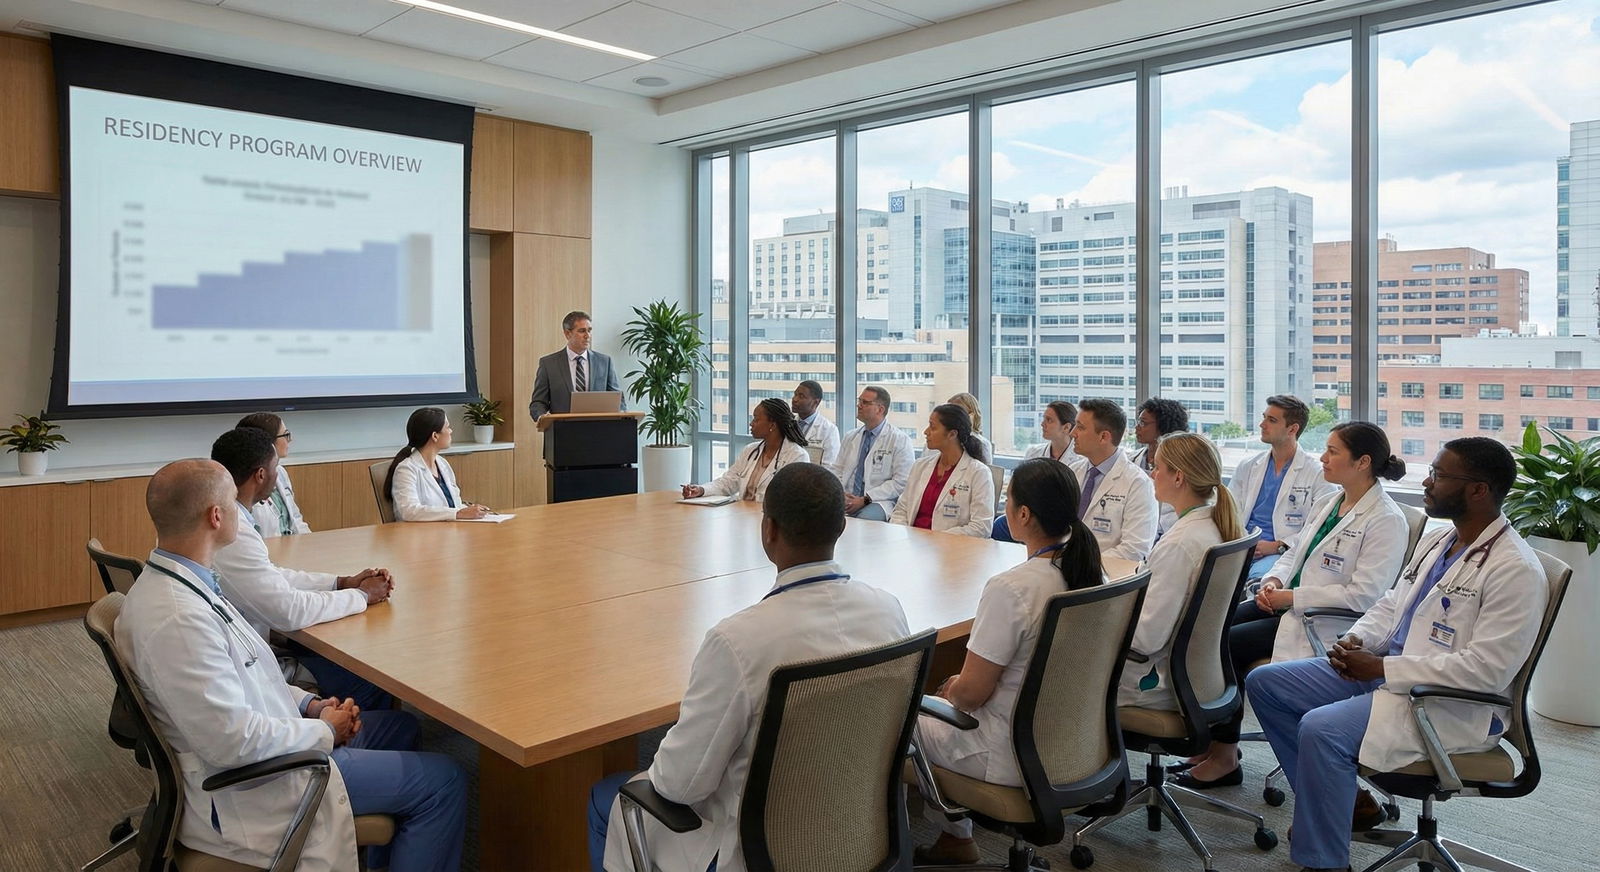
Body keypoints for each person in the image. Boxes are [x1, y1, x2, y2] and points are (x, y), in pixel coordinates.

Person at [116, 459, 467, 872]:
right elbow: (231, 741)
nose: (242, 511)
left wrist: (310, 706)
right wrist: (323, 730)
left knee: (402, 727)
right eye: (233, 502)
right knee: (446, 781)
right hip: (261, 783)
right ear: (216, 516)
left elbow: (251, 671)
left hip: (276, 737)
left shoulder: (187, 582)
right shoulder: (178, 618)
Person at [589, 463, 911, 872]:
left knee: (612, 800)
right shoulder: (888, 610)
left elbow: (679, 784)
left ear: (768, 531)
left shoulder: (740, 640)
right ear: (841, 527)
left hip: (756, 852)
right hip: (856, 836)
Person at [1246, 438, 1547, 872]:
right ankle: (1338, 802)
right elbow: (1391, 604)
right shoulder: (1440, 540)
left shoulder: (1514, 569)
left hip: (1441, 700)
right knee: (1267, 684)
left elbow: (1487, 669)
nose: (1426, 481)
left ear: (1478, 490)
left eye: (1440, 476)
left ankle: (1324, 862)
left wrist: (1384, 666)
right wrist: (1356, 641)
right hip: (1390, 672)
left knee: (1321, 729)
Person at [1172, 421, 1410, 792]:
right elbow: (1295, 554)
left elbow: (1365, 595)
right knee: (1210, 628)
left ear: (1362, 462)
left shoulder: (1386, 520)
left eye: (1333, 451)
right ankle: (1211, 743)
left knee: (1228, 645)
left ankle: (1223, 755)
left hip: (1323, 622)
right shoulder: (1330, 501)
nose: (1322, 457)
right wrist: (1275, 581)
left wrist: (1292, 598)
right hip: (1288, 606)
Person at [911, 458, 1105, 864]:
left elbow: (971, 696)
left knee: (897, 720)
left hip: (1010, 754)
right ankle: (954, 840)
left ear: (1023, 515)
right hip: (1077, 743)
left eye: (1008, 500)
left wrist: (950, 688)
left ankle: (948, 837)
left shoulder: (1012, 588)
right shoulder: (1089, 570)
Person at [211, 428, 396, 711]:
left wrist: (341, 582)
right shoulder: (232, 532)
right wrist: (361, 595)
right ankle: (348, 744)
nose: (278, 475)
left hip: (249, 651)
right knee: (373, 684)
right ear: (260, 475)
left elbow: (271, 575)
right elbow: (289, 611)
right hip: (255, 673)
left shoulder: (232, 519)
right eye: (276, 468)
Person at [1120, 432, 1243, 709]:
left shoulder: (1180, 545)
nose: (1152, 475)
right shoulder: (1215, 525)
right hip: (1198, 674)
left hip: (1151, 681)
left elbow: (1146, 639)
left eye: (1158, 467)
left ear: (1178, 477)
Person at [1228, 395, 1338, 580]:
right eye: (1264, 417)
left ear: (1292, 429)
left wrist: (1278, 545)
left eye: (1271, 420)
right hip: (1242, 545)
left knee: (1258, 580)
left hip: (1281, 553)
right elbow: (1229, 511)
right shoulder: (1248, 466)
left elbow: (1320, 528)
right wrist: (1242, 541)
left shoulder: (1318, 474)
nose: (1262, 425)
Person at [1069, 399, 1159, 563]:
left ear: (1104, 437)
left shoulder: (1138, 484)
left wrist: (1083, 566)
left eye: (1080, 427)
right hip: (1064, 570)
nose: (1072, 433)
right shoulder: (1073, 472)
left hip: (1107, 580)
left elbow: (1134, 550)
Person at [888, 404, 995, 538]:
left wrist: (935, 539)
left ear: (952, 434)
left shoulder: (978, 473)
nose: (926, 432)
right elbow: (901, 510)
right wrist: (906, 535)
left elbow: (981, 527)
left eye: (932, 427)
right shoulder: (920, 466)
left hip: (950, 548)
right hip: (911, 543)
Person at [682, 398, 810, 503]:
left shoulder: (796, 456)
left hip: (771, 520)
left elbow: (791, 500)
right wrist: (701, 490)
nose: (751, 424)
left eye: (756, 419)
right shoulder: (750, 451)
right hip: (742, 515)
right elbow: (728, 482)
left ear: (772, 424)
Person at [992, 400, 1086, 542]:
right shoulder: (1034, 453)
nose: (1042, 424)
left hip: (1057, 519)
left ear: (1066, 427)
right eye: (1043, 419)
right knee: (1000, 525)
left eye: (1049, 420)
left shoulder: (1080, 460)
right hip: (1030, 513)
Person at [826, 385, 914, 522]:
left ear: (880, 409)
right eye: (859, 401)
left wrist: (866, 498)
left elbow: (901, 482)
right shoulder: (851, 437)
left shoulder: (900, 440)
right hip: (847, 498)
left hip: (878, 501)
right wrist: (840, 494)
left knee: (863, 522)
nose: (859, 405)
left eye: (865, 403)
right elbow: (837, 469)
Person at [385, 408, 492, 521]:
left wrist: (471, 511)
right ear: (435, 436)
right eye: (447, 427)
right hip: (419, 535)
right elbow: (409, 511)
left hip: (448, 530)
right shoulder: (406, 469)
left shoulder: (442, 464)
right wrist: (459, 513)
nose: (451, 431)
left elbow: (454, 505)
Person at [529, 309, 623, 420]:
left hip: (599, 430)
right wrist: (542, 416)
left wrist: (623, 416)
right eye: (582, 331)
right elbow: (538, 402)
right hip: (562, 431)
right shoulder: (549, 364)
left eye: (590, 330)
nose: (587, 335)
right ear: (567, 334)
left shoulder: (604, 362)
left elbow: (618, 399)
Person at [236, 412, 310, 538]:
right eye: (286, 435)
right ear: (268, 442)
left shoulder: (280, 471)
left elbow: (296, 519)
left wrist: (309, 543)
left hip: (294, 548)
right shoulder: (244, 480)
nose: (290, 439)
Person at [1132, 397, 1191, 535]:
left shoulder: (1180, 467)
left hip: (1168, 533)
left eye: (1143, 423)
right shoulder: (1132, 460)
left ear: (1163, 426)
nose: (1137, 427)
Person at [791, 380, 840, 466]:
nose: (795, 399)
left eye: (801, 396)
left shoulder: (829, 430)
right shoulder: (788, 425)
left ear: (816, 402)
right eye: (795, 394)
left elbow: (829, 466)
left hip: (814, 478)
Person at [946, 392, 993, 464]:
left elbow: (984, 470)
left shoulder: (982, 444)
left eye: (957, 413)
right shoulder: (939, 440)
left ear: (971, 416)